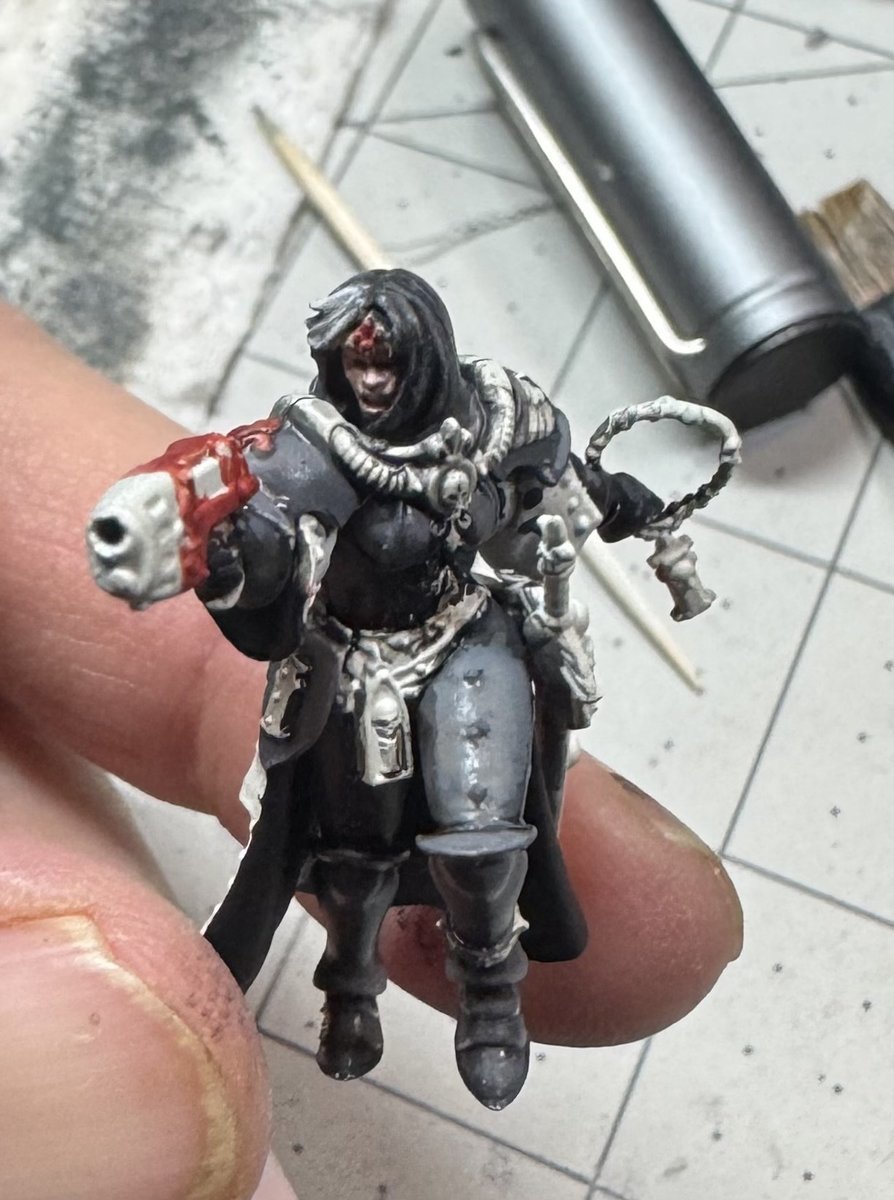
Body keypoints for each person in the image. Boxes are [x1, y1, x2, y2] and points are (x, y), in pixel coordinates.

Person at [0, 296, 742, 1199]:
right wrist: (218, 554)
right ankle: (350, 985)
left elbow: (558, 495)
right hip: (353, 662)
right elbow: (268, 542)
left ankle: (491, 990)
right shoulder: (313, 445)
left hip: (468, 640)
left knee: (484, 835)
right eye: (355, 364)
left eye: (385, 362)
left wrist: (629, 509)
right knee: (350, 858)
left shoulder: (502, 415)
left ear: (426, 355)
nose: (371, 378)